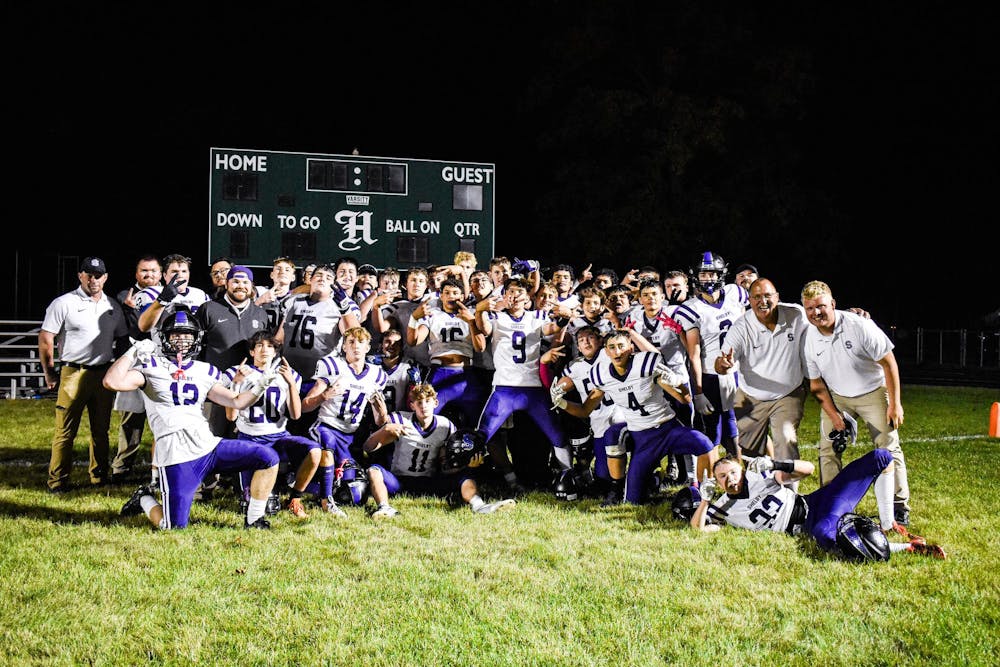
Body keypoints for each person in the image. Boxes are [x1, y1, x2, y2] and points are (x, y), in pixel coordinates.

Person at [107, 308, 281, 529]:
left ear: (196, 338)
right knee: (172, 527)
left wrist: (261, 385)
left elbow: (236, 402)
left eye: (187, 334)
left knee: (268, 457)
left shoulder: (205, 370)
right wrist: (132, 352)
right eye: (176, 334)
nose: (182, 340)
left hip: (207, 445)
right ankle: (143, 498)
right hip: (176, 455)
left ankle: (254, 518)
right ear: (165, 337)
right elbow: (111, 382)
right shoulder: (151, 366)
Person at [557, 329, 717, 505]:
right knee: (633, 501)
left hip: (667, 428)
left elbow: (685, 399)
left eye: (621, 346)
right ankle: (627, 486)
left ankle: (704, 493)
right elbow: (584, 410)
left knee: (704, 444)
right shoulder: (601, 375)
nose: (617, 352)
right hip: (642, 437)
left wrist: (677, 384)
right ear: (606, 350)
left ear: (630, 348)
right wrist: (562, 403)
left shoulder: (646, 364)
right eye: (612, 347)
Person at [689, 451, 945, 560]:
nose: (730, 479)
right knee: (826, 536)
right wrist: (705, 499)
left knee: (882, 458)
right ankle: (910, 548)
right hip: (808, 525)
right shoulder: (722, 506)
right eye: (722, 477)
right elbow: (698, 529)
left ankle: (889, 524)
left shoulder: (759, 475)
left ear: (741, 470)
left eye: (732, 472)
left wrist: (776, 464)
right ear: (718, 483)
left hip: (819, 501)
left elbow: (809, 470)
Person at [800, 280, 912, 526]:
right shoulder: (808, 336)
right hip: (838, 395)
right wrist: (834, 414)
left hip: (873, 391)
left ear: (833, 304)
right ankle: (831, 501)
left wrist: (895, 403)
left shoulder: (859, 325)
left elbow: (888, 362)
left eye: (820, 307)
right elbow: (816, 384)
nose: (815, 313)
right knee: (827, 447)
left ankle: (898, 505)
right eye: (809, 309)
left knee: (888, 446)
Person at [39, 256, 129, 492]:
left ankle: (99, 476)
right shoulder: (64, 303)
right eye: (88, 274)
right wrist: (50, 373)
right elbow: (46, 336)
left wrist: (118, 366)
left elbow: (122, 337)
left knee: (101, 430)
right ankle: (58, 481)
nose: (93, 279)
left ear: (105, 277)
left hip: (102, 373)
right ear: (80, 276)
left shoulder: (111, 306)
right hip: (73, 372)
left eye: (98, 275)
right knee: (65, 431)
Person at [474, 277, 572, 494]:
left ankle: (568, 478)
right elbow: (484, 329)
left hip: (533, 388)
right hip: (504, 388)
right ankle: (473, 480)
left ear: (528, 297)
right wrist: (480, 309)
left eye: (520, 292)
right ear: (504, 295)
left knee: (556, 435)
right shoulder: (496, 316)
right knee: (482, 435)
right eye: (510, 292)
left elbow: (552, 329)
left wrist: (565, 318)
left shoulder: (536, 316)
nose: (515, 296)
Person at [362, 383, 516, 517]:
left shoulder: (445, 426)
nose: (423, 406)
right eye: (419, 402)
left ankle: (479, 505)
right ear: (412, 405)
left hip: (429, 481)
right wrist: (384, 430)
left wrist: (466, 465)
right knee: (373, 470)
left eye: (427, 401)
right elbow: (368, 447)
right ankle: (384, 507)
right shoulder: (399, 419)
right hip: (399, 480)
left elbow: (446, 465)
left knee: (465, 475)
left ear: (435, 403)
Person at [224, 331, 321, 519]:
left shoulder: (289, 375)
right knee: (252, 504)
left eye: (269, 346)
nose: (264, 350)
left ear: (276, 351)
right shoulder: (238, 372)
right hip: (249, 440)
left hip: (278, 438)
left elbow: (296, 414)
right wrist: (235, 384)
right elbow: (231, 416)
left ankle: (295, 498)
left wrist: (292, 385)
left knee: (315, 452)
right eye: (259, 345)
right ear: (252, 352)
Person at [714, 278, 808, 466]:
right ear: (749, 300)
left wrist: (849, 315)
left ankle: (788, 494)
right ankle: (758, 491)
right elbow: (720, 362)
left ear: (777, 297)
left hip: (787, 393)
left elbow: (821, 314)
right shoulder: (741, 327)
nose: (762, 301)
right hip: (750, 395)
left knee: (785, 439)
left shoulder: (796, 314)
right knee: (749, 452)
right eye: (757, 297)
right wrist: (723, 364)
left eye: (767, 295)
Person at [301, 326, 388, 517]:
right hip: (326, 426)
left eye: (361, 342)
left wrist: (382, 412)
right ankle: (326, 501)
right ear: (344, 347)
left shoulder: (377, 375)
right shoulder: (333, 367)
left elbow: (380, 421)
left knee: (353, 491)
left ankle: (306, 485)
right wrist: (325, 395)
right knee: (328, 446)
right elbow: (304, 406)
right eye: (351, 342)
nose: (356, 346)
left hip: (350, 436)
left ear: (368, 347)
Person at [673, 251, 749, 458]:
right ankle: (709, 478)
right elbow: (694, 354)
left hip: (737, 372)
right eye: (703, 274)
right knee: (712, 429)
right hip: (710, 376)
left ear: (721, 275)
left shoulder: (736, 294)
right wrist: (698, 391)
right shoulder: (691, 309)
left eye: (712, 274)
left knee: (738, 425)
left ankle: (740, 471)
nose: (708, 278)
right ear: (696, 276)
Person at [276, 263, 362, 435]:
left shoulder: (343, 306)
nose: (323, 279)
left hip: (317, 378)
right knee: (282, 423)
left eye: (329, 277)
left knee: (308, 427)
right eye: (318, 276)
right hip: (288, 372)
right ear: (310, 280)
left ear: (334, 284)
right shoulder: (292, 301)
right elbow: (279, 337)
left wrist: (344, 307)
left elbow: (355, 336)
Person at [548, 325, 628, 505]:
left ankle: (644, 479)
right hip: (598, 420)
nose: (585, 341)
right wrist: (556, 392)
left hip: (622, 413)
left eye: (590, 337)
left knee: (623, 442)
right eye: (581, 340)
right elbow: (561, 386)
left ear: (600, 340)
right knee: (603, 474)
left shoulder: (609, 354)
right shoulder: (575, 367)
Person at [195, 265, 269, 438]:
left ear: (252, 286)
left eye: (245, 282)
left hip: (247, 387)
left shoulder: (260, 314)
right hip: (215, 386)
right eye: (235, 281)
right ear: (227, 284)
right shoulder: (209, 308)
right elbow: (196, 346)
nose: (240, 286)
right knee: (210, 436)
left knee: (240, 437)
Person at [408, 277, 487, 429]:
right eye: (447, 293)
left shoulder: (471, 314)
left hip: (465, 374)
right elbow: (413, 341)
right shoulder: (433, 315)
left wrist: (471, 322)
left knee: (475, 425)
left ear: (462, 296)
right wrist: (413, 319)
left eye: (455, 293)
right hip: (439, 373)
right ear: (441, 296)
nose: (451, 296)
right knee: (427, 422)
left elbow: (480, 347)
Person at [110, 254, 162, 483]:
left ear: (161, 274)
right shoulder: (126, 297)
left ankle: (159, 469)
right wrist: (130, 311)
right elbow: (131, 332)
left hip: (162, 365)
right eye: (144, 271)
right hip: (135, 363)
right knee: (131, 418)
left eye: (153, 271)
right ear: (136, 274)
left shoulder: (175, 295)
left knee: (163, 417)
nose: (149, 275)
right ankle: (122, 467)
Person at [137, 253, 210, 335]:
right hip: (163, 346)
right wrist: (162, 300)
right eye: (174, 271)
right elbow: (144, 327)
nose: (180, 275)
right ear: (165, 275)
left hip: (195, 345)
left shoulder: (200, 294)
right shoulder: (152, 292)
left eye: (184, 271)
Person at [254, 256, 297, 333]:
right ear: (271, 275)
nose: (282, 271)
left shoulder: (297, 299)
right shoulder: (259, 292)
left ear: (293, 277)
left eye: (287, 270)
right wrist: (259, 301)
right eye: (278, 269)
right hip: (262, 340)